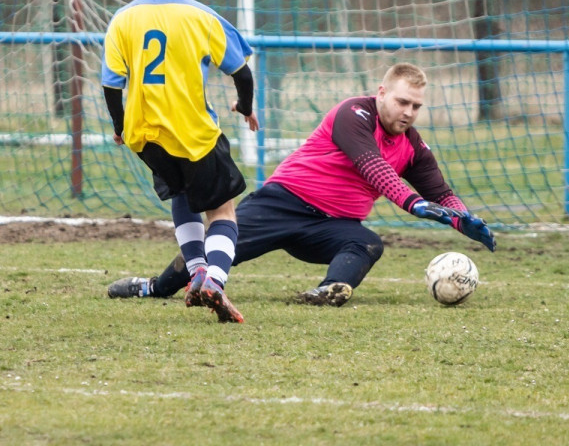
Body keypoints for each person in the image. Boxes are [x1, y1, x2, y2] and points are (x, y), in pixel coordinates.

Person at [108, 63, 496, 307]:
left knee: (368, 242)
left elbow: (441, 194)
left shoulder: (412, 146)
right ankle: (155, 288)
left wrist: (463, 219)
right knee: (215, 249)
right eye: (402, 102)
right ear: (381, 93)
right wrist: (416, 205)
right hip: (284, 202)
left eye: (416, 106)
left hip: (330, 226)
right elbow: (375, 169)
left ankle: (330, 291)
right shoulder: (354, 113)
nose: (409, 112)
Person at [102, 0, 259, 323]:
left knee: (182, 197)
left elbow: (110, 84)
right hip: (194, 132)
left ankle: (196, 272)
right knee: (222, 212)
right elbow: (242, 73)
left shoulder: (123, 19)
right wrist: (245, 106)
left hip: (146, 135)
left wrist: (120, 126)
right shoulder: (201, 17)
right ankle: (214, 281)